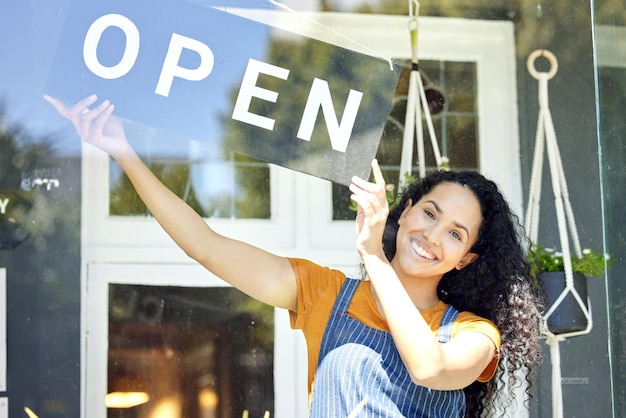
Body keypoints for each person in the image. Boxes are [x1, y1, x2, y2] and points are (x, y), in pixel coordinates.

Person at [44, 94, 543, 417]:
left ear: (466, 260)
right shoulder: (324, 294)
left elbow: (429, 369)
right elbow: (204, 245)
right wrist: (124, 153)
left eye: (456, 234)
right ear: (406, 211)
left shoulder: (475, 335)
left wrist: (373, 253)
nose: (433, 235)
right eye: (430, 213)